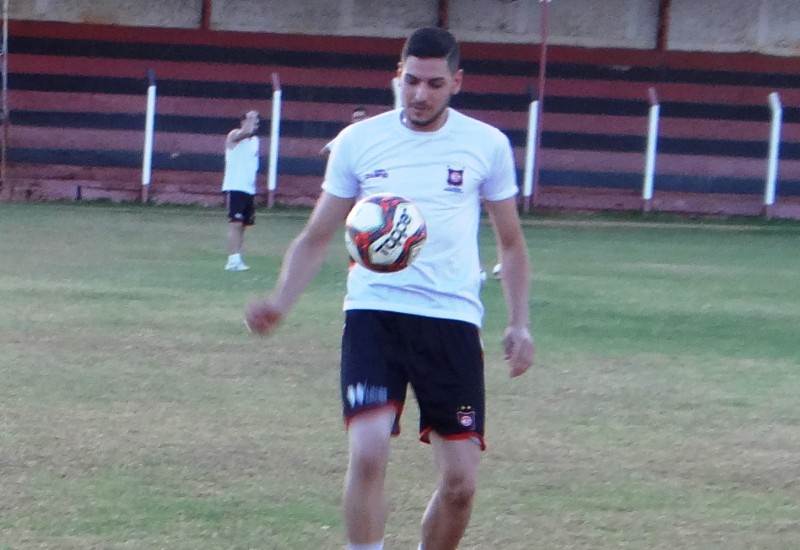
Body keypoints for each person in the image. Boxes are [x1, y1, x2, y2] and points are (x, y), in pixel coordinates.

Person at [246, 27, 534, 550]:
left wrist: (519, 323)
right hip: (374, 312)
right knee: (369, 450)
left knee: (460, 484)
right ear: (398, 75)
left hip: (452, 319)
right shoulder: (359, 141)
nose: (420, 94)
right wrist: (279, 302)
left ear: (457, 82)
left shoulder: (486, 145)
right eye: (412, 80)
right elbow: (317, 235)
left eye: (435, 84)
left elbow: (511, 243)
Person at [222, 110, 260, 271]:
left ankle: (237, 257)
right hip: (235, 186)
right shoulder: (234, 135)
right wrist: (249, 120)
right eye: (252, 121)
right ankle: (232, 260)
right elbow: (244, 133)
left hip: (248, 189)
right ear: (243, 122)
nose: (255, 125)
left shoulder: (256, 141)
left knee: (243, 226)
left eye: (256, 122)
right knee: (235, 224)